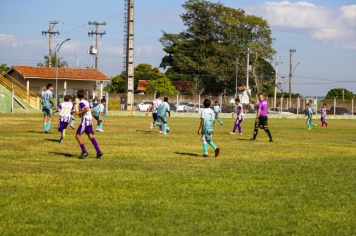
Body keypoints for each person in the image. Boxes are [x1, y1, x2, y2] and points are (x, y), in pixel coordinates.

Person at [75, 89, 103, 159]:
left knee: (77, 136)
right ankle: (98, 152)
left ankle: (84, 151)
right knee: (90, 136)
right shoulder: (87, 102)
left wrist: (79, 113)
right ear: (84, 95)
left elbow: (87, 109)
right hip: (90, 121)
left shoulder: (81, 102)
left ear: (78, 96)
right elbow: (91, 110)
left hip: (85, 121)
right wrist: (81, 113)